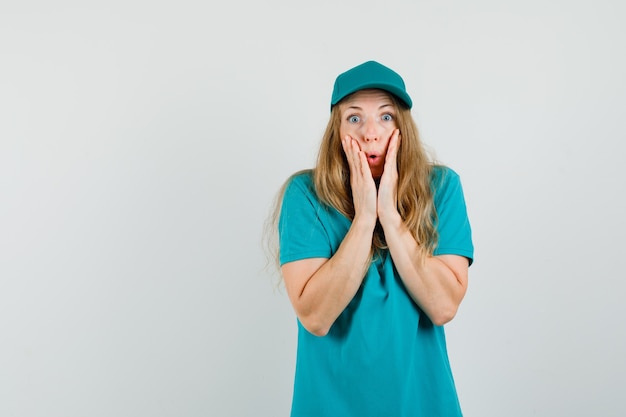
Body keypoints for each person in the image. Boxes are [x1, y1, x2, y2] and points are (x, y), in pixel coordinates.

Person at [269, 60, 474, 416]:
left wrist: (390, 219)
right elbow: (316, 316)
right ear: (336, 129)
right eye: (354, 118)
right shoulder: (305, 195)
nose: (370, 133)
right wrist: (365, 218)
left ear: (403, 127)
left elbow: (443, 306)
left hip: (424, 404)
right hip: (329, 405)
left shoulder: (441, 187)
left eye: (386, 116)